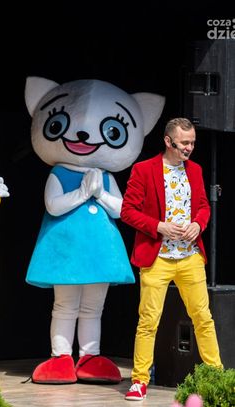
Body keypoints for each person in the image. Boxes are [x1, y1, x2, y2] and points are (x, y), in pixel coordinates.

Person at [121, 118, 223, 401]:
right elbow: (127, 210)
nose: (189, 148)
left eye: (192, 143)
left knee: (203, 318)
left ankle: (216, 375)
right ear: (168, 141)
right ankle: (139, 380)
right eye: (184, 143)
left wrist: (198, 224)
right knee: (148, 321)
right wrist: (159, 226)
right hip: (158, 257)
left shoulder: (195, 170)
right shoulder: (144, 169)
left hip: (189, 256)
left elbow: (203, 206)